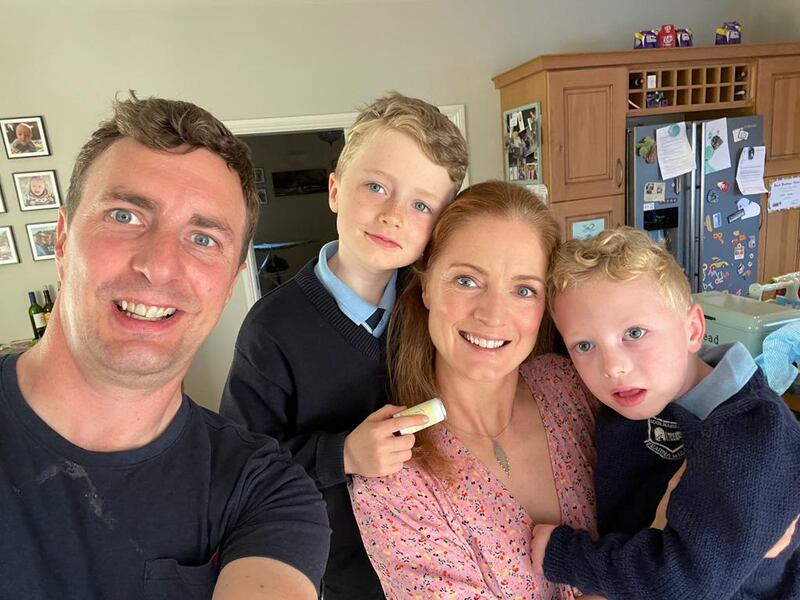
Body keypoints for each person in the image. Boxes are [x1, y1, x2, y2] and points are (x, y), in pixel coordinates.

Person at [0, 93, 330, 599]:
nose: (158, 266)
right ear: (62, 239)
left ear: (230, 283)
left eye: (203, 239)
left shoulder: (264, 491)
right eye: (125, 216)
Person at [220, 92, 468, 599]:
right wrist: (344, 454)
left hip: (440, 559)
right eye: (376, 187)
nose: (394, 215)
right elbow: (240, 469)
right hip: (341, 570)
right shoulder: (271, 330)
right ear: (334, 190)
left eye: (421, 204)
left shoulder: (436, 308)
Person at [349, 181, 602, 599]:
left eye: (524, 290)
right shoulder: (394, 480)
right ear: (426, 286)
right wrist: (656, 558)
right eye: (466, 281)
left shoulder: (571, 388)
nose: (493, 314)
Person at [531, 226, 800, 598]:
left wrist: (567, 556)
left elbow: (684, 585)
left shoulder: (752, 434)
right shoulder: (645, 394)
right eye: (585, 345)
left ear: (693, 330)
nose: (613, 367)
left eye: (635, 334)